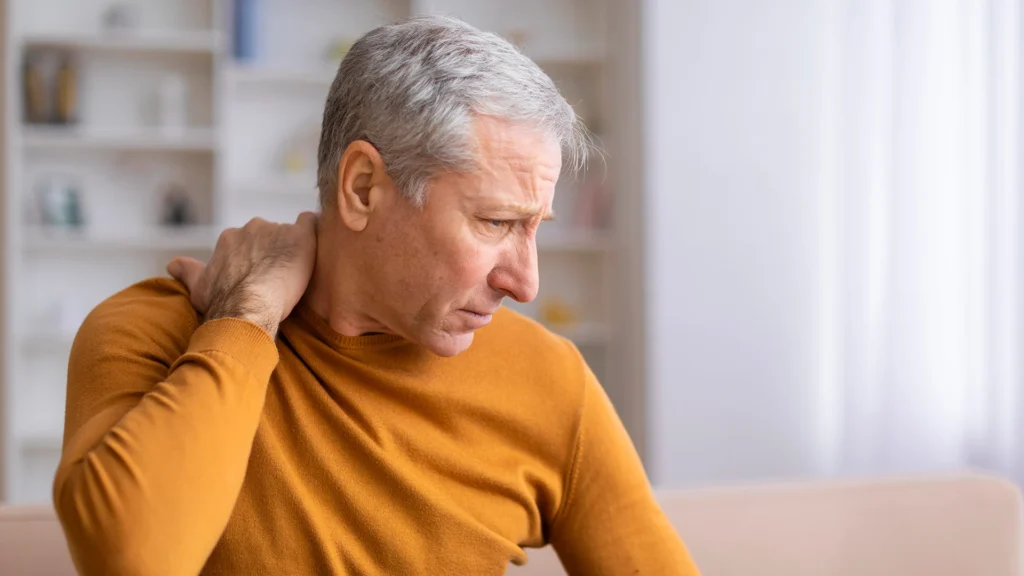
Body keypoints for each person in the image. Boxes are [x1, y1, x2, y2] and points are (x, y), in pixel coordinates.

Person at [53, 15, 700, 575]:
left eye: (534, 228)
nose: (525, 283)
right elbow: (132, 561)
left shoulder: (550, 381)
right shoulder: (151, 330)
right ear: (362, 188)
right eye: (496, 223)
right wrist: (247, 318)